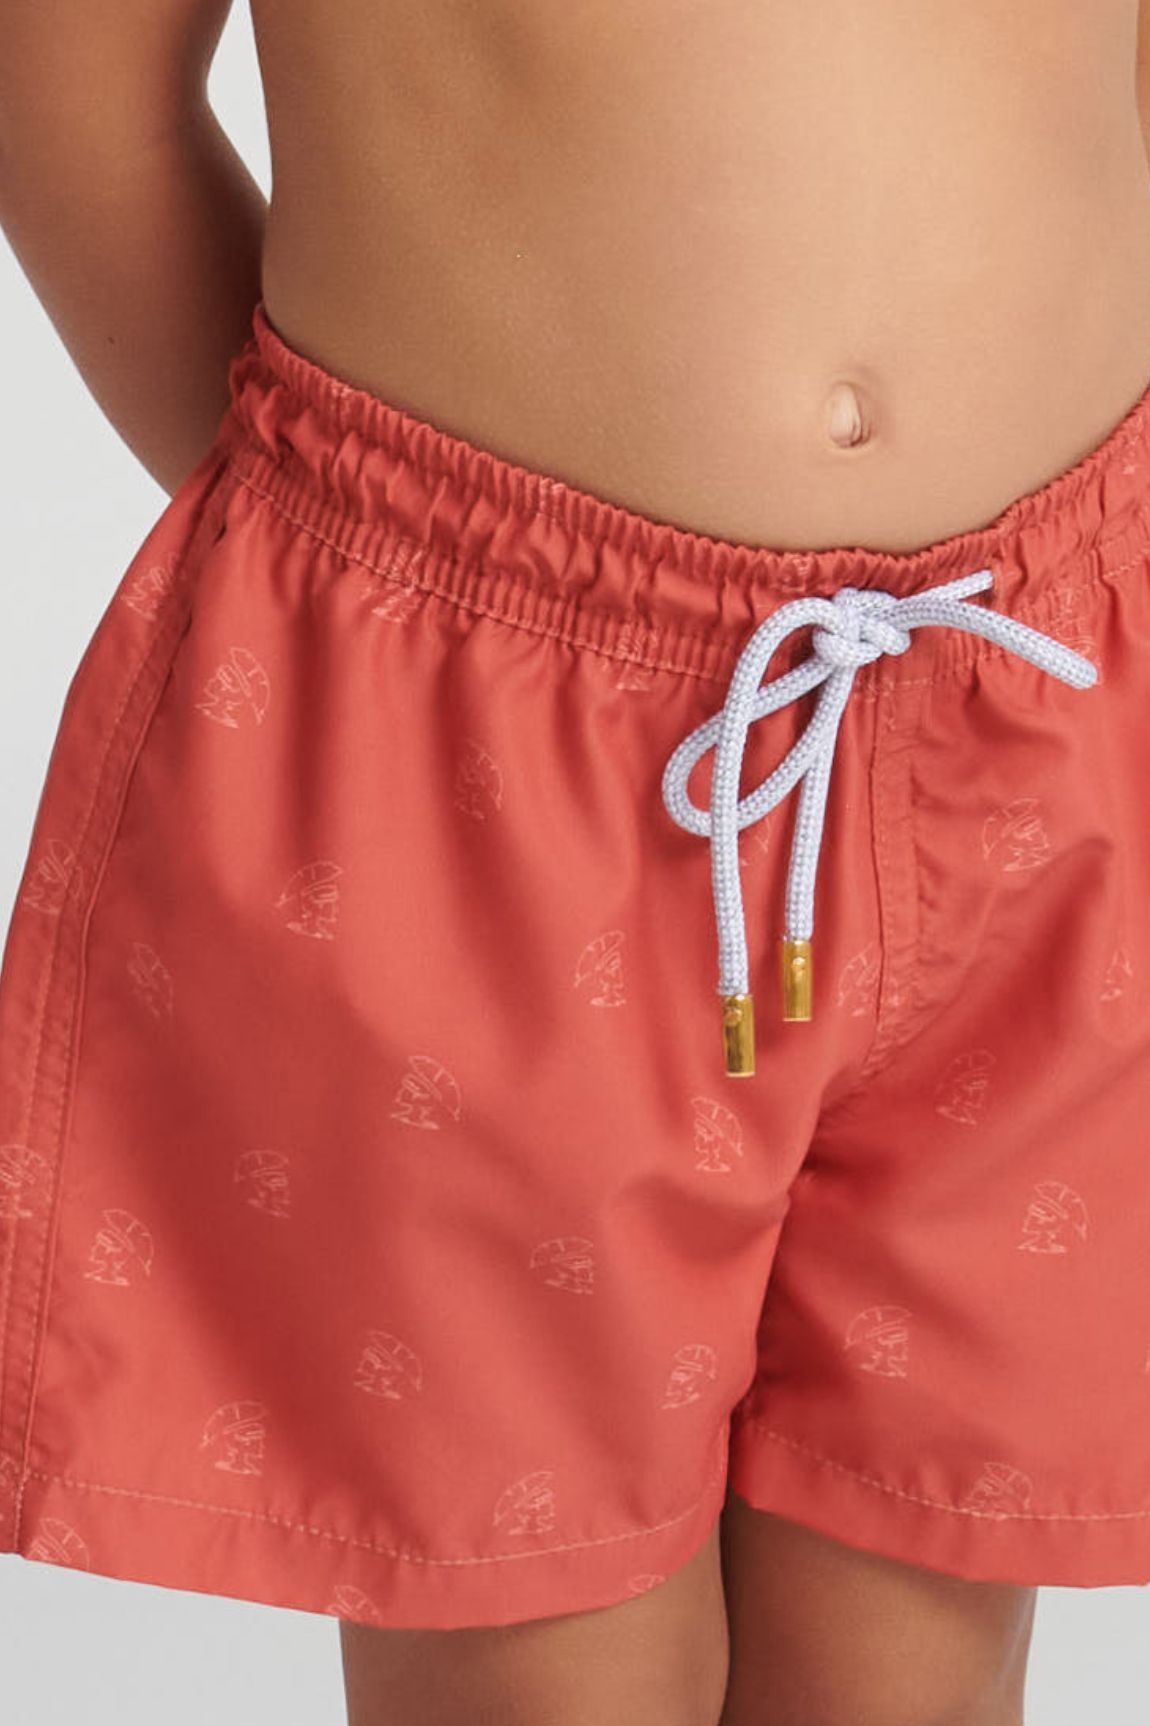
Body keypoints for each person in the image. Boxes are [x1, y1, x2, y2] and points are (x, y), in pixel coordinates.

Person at [1, 3, 1149, 1722]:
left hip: (1034, 703)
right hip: (483, 754)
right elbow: (78, 114)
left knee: (909, 1654)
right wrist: (392, 604)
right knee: (538, 1669)